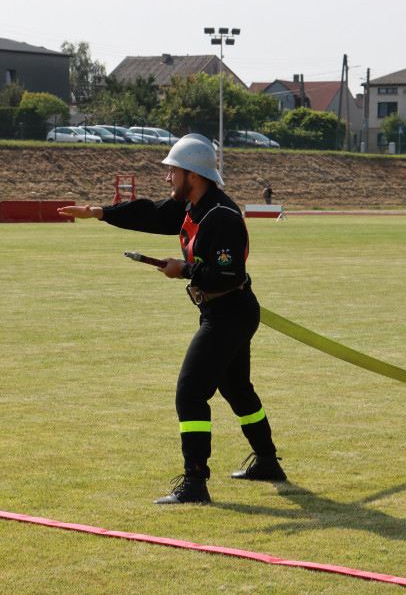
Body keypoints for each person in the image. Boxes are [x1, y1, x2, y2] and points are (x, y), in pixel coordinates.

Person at [57, 134, 285, 504]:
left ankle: (195, 482)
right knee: (236, 388)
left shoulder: (221, 216)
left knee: (190, 392)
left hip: (230, 313)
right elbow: (150, 212)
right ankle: (267, 462)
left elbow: (228, 274)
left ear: (192, 174)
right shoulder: (193, 206)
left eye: (172, 172)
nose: (168, 179)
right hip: (219, 311)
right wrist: (98, 212)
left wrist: (185, 270)